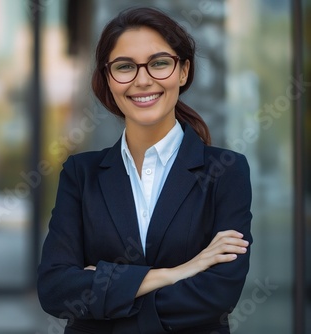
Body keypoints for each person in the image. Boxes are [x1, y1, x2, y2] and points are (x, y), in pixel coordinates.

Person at [37, 7, 252, 334]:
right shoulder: (81, 174)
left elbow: (217, 296)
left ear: (183, 71)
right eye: (124, 67)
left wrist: (105, 288)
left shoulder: (226, 171)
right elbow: (56, 290)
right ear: (108, 80)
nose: (142, 79)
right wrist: (178, 272)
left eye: (159, 63)